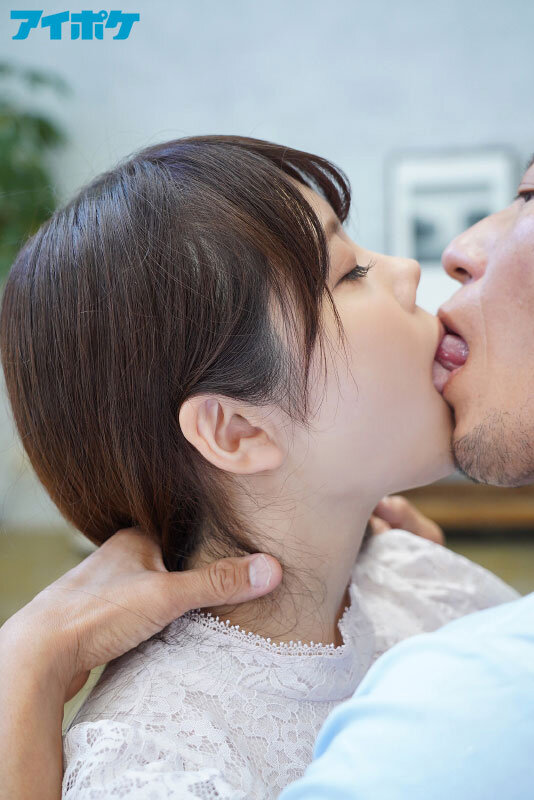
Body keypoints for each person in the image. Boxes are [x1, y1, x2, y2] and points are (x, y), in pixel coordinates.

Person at [0, 136, 519, 799]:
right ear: (237, 429)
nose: (408, 270)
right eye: (351, 273)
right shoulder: (155, 761)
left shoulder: (425, 577)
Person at [276, 154, 534, 800]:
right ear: (233, 430)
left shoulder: (458, 711)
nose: (431, 261)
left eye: (531, 197)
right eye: (349, 273)